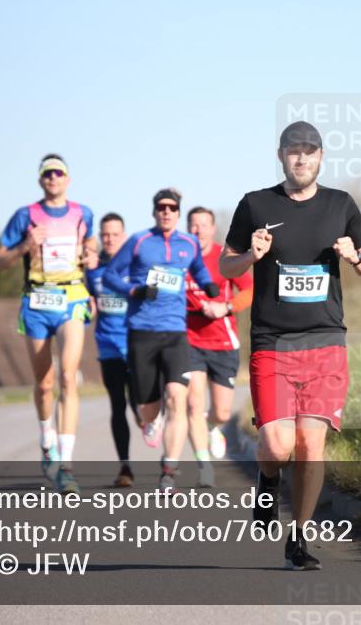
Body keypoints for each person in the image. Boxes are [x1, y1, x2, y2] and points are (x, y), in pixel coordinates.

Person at [220, 121, 361, 570]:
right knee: (277, 445)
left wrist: (355, 256)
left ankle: (299, 538)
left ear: (321, 157)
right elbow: (226, 266)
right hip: (273, 342)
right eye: (294, 151)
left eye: (310, 151)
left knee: (311, 444)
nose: (302, 158)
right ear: (281, 155)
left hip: (326, 342)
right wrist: (251, 255)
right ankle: (267, 480)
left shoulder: (341, 205)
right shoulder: (255, 205)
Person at [102, 188, 219, 494]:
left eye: (172, 208)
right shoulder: (140, 241)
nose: (167, 212)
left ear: (178, 213)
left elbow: (198, 267)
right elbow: (111, 276)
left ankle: (168, 469)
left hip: (175, 332)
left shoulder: (188, 243)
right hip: (142, 332)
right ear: (154, 211)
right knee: (148, 409)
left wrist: (207, 283)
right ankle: (150, 421)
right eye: (161, 207)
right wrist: (134, 291)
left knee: (177, 398)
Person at [0, 154, 97, 495]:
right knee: (44, 383)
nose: (53, 178)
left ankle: (66, 465)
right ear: (41, 180)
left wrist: (90, 253)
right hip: (37, 301)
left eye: (59, 173)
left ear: (68, 179)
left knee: (68, 376)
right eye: (47, 174)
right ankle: (46, 435)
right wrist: (24, 246)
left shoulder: (83, 213)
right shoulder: (26, 215)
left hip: (71, 298)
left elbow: (91, 244)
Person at [185, 206, 254, 467]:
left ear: (212, 229)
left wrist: (224, 307)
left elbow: (248, 290)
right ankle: (203, 467)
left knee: (223, 412)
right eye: (193, 224)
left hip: (223, 341)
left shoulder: (223, 258)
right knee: (193, 403)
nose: (198, 229)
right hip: (189, 340)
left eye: (203, 224)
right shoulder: (180, 258)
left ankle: (212, 426)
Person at [86, 212, 149, 488]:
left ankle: (146, 417)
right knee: (117, 405)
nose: (109, 239)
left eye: (115, 234)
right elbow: (86, 299)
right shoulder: (92, 269)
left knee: (139, 406)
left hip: (135, 345)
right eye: (105, 235)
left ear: (124, 236)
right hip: (108, 346)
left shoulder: (134, 267)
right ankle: (125, 467)